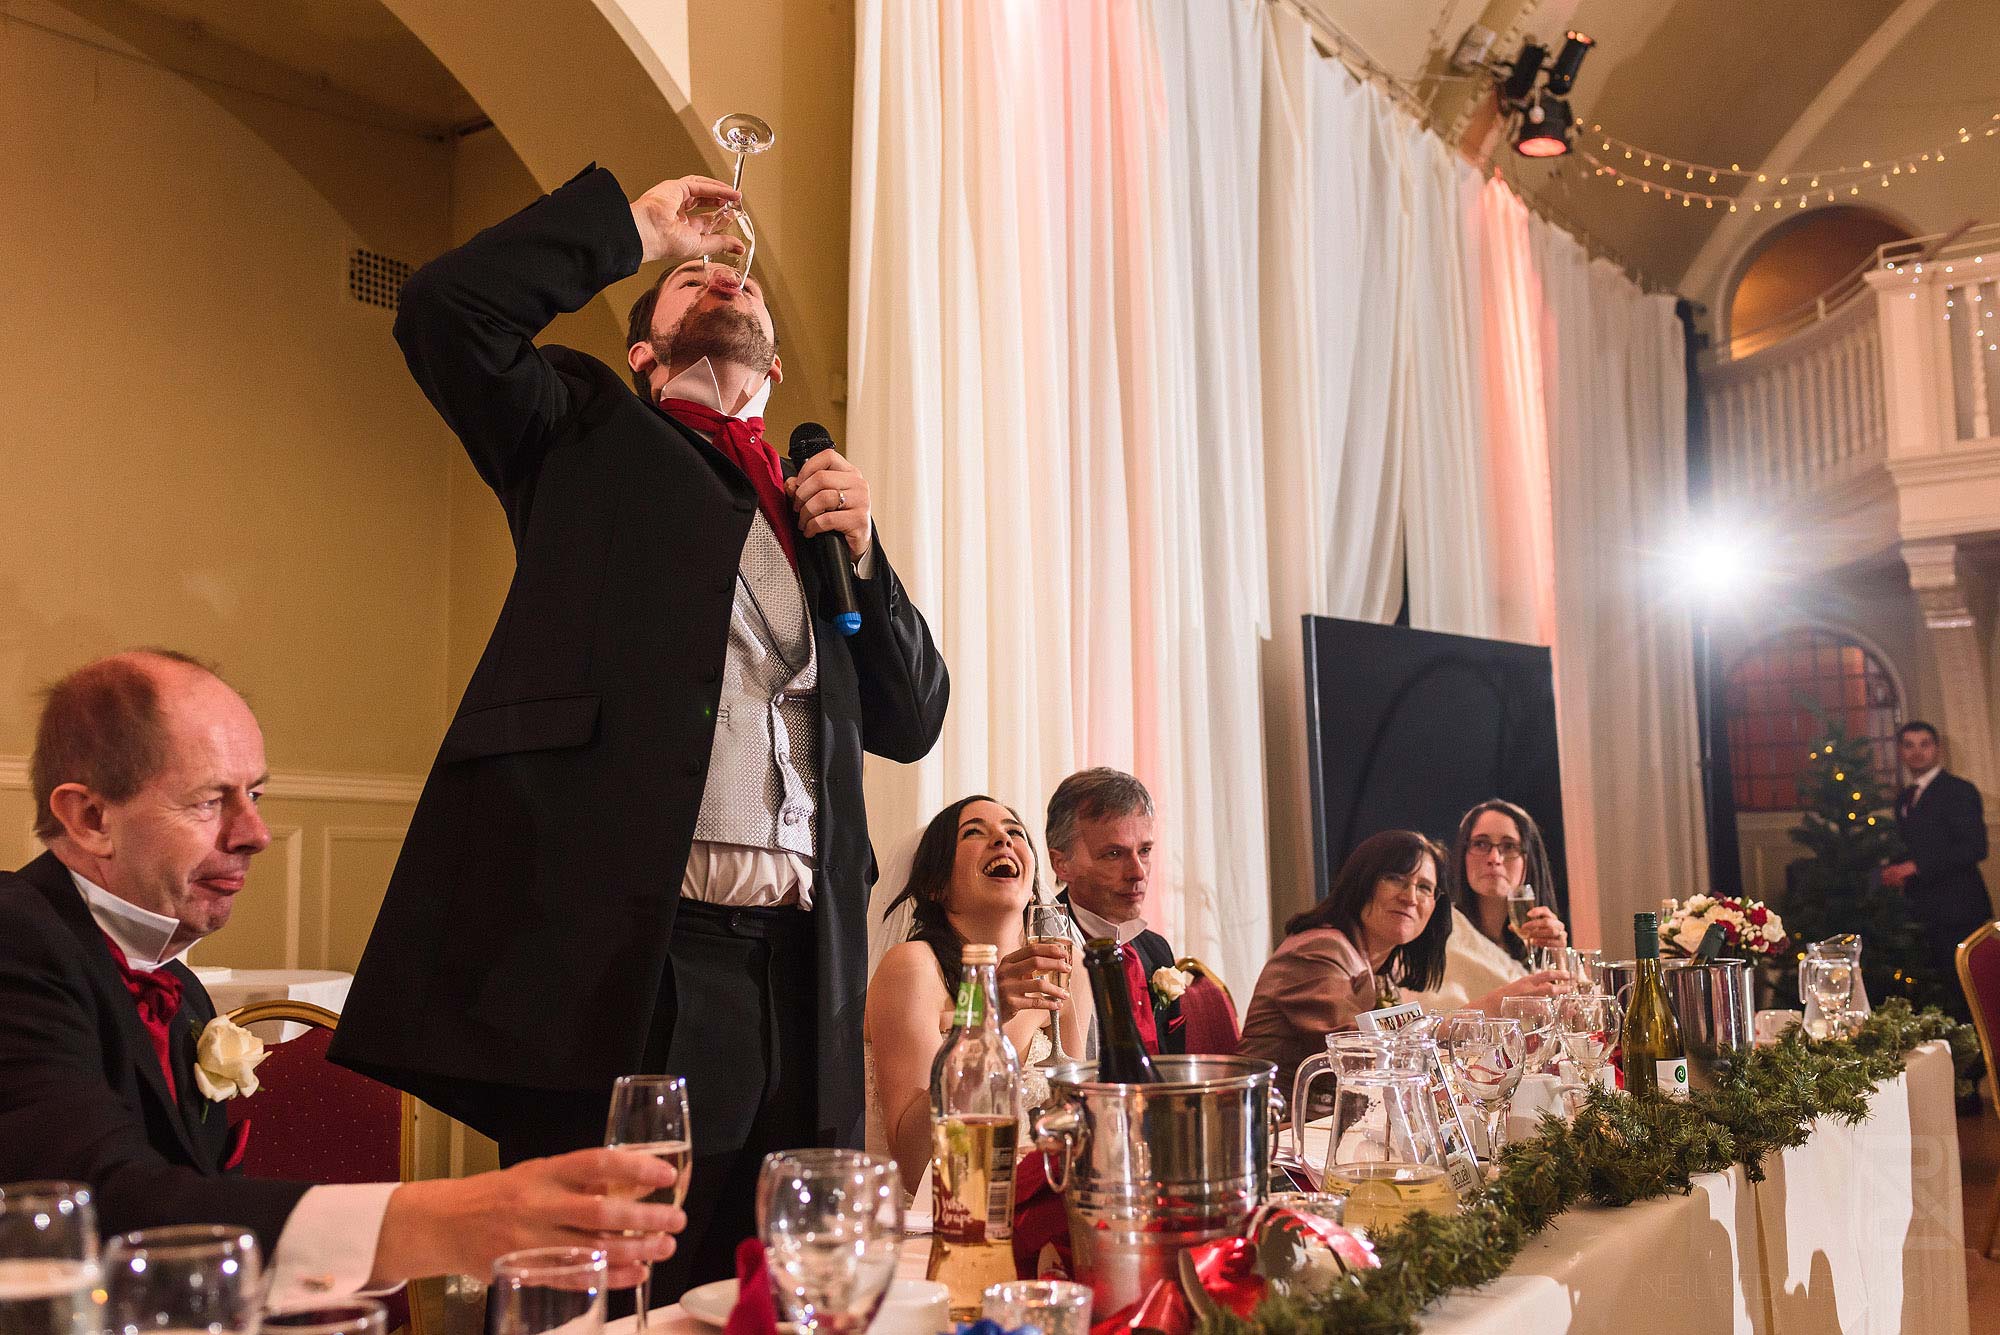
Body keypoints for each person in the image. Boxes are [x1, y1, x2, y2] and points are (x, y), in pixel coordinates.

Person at [327, 166, 950, 1296]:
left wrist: (861, 554)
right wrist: (637, 227)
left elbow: (910, 718)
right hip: (634, 955)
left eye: (741, 283)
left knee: (765, 1291)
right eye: (688, 281)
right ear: (641, 357)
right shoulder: (582, 431)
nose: (725, 280)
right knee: (602, 1289)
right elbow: (445, 310)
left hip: (797, 969)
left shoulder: (809, 504)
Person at [0, 652, 683, 1305]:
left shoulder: (181, 990)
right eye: (211, 800)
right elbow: (92, 1211)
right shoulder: (15, 936)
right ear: (90, 818)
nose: (257, 832)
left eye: (256, 793)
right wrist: (449, 1219)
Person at [863, 797, 1090, 1193]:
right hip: (932, 1219)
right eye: (974, 832)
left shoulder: (1066, 969)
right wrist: (981, 1020)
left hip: (1027, 1208)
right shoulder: (914, 968)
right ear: (936, 885)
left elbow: (1075, 1129)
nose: (1003, 840)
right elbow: (916, 1165)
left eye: (1015, 832)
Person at [1237, 831, 1451, 1092]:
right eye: (1395, 879)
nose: (1410, 897)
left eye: (1424, 887)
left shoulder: (1379, 966)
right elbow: (1357, 1055)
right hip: (1283, 1124)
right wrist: (1456, 1027)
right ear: (1362, 881)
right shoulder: (1319, 950)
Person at [1045, 768, 1183, 1054]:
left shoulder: (1157, 951)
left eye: (1144, 851)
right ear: (1062, 864)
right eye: (1114, 854)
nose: (1137, 872)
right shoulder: (1041, 949)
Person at [1403, 800, 1573, 1016]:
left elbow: (1581, 1028)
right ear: (1464, 854)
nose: (1494, 858)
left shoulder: (1537, 939)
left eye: (1509, 846)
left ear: (1529, 860)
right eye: (1481, 844)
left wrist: (1558, 955)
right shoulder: (1438, 929)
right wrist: (1502, 1002)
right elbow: (1424, 1027)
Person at [1882, 721, 1992, 1021]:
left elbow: (1975, 848)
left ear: (1937, 749)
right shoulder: (1905, 797)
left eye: (1924, 744)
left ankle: (1980, 1060)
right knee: (1938, 990)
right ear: (1901, 751)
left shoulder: (1959, 790)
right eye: (1909, 745)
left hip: (1959, 908)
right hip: (1922, 908)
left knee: (1965, 989)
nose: (1917, 752)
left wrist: (1915, 866)